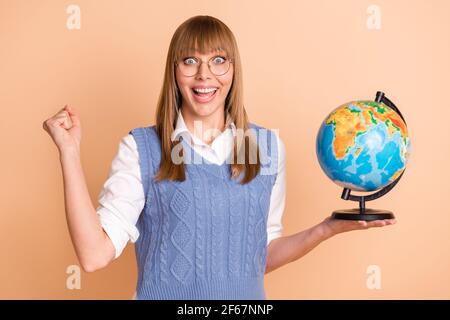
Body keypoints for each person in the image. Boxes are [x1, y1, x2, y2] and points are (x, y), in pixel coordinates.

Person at [42, 15, 396, 300]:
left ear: (232, 69)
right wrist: (69, 152)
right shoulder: (143, 148)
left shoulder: (266, 148)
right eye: (190, 60)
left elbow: (261, 256)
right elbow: (93, 255)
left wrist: (326, 229)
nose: (204, 75)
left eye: (218, 61)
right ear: (174, 71)